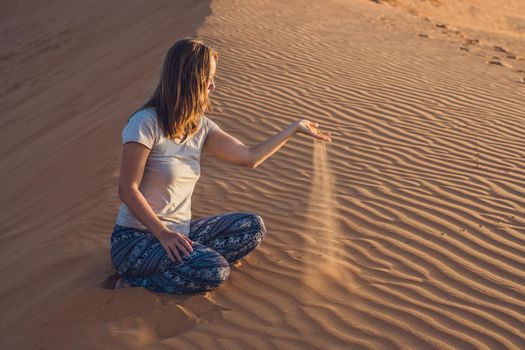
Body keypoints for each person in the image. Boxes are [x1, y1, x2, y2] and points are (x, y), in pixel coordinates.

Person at [110, 37, 332, 294]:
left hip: (181, 234)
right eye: (208, 78)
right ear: (189, 78)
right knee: (215, 270)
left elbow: (249, 157)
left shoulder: (200, 126)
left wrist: (294, 129)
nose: (213, 86)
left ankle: (184, 263)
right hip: (136, 238)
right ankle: (135, 282)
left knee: (251, 227)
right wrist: (163, 234)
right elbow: (127, 189)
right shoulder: (145, 123)